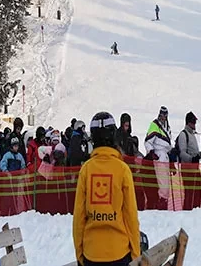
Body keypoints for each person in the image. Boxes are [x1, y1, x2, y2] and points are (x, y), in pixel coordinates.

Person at [73, 111, 141, 266]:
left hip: (91, 254)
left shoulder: (86, 170)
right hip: (119, 252)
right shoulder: (122, 170)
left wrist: (79, 253)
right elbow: (130, 215)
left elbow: (79, 217)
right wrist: (136, 253)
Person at [144, 106, 172, 209]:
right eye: (162, 114)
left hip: (165, 156)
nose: (163, 117)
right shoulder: (154, 125)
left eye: (165, 114)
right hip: (159, 157)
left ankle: (164, 202)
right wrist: (151, 152)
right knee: (163, 183)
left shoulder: (167, 127)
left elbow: (168, 145)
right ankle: (161, 203)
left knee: (166, 183)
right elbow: (148, 141)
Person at [176, 112, 201, 210]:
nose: (194, 124)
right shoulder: (183, 134)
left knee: (197, 192)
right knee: (190, 193)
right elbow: (182, 153)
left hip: (195, 168)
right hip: (187, 170)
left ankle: (196, 209)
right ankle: (187, 211)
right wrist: (192, 159)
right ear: (188, 122)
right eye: (193, 122)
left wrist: (199, 155)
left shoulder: (192, 135)